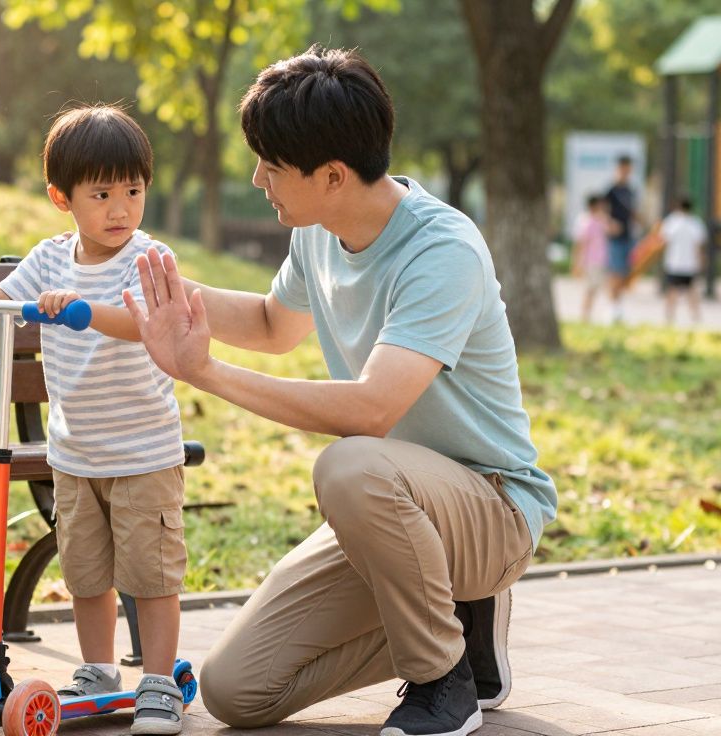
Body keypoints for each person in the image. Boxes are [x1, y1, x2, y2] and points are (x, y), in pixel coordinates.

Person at [120, 47, 556, 736]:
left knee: (348, 465)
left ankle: (443, 681)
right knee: (236, 691)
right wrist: (161, 287)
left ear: (331, 176)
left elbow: (372, 409)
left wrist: (205, 372)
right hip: (395, 514)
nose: (258, 178)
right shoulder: (319, 233)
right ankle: (458, 626)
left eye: (271, 165)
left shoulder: (441, 250)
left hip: (490, 506)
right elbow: (272, 324)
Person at [0, 104, 189, 735]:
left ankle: (159, 682)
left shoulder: (149, 258)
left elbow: (146, 325)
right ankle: (98, 670)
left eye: (133, 191)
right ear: (61, 198)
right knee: (86, 573)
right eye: (102, 195)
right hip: (74, 454)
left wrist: (84, 308)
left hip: (142, 453)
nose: (121, 209)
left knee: (152, 574)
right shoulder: (49, 259)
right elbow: (5, 302)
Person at [658, 196, 706, 326]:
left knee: (672, 290)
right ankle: (696, 317)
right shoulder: (696, 223)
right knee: (692, 290)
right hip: (690, 264)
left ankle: (669, 317)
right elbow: (698, 245)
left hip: (674, 262)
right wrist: (701, 261)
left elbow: (663, 241)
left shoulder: (671, 222)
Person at [604, 155, 640, 323]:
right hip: (615, 238)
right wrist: (610, 224)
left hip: (628, 236)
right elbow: (602, 211)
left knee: (625, 274)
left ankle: (618, 306)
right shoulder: (611, 190)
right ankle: (613, 308)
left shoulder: (630, 190)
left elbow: (633, 212)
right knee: (615, 272)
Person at [572, 194, 610, 323]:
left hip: (600, 260)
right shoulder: (586, 222)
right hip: (590, 261)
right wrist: (578, 262)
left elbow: (611, 230)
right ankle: (585, 315)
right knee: (590, 288)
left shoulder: (600, 221)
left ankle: (587, 314)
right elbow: (581, 243)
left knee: (595, 288)